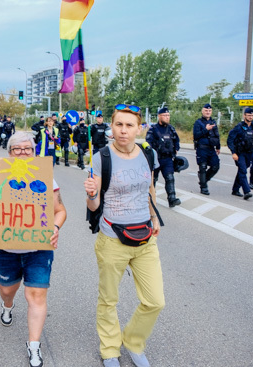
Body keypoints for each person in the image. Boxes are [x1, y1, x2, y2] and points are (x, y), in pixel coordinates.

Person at [0, 131, 67, 367]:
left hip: (39, 248)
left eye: (27, 148)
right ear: (8, 153)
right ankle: (7, 305)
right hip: (4, 249)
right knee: (7, 290)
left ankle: (34, 346)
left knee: (36, 295)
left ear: (34, 151)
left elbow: (60, 211)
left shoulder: (46, 177)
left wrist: (56, 227)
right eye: (17, 149)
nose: (22, 153)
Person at [84, 104, 164, 367]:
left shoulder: (147, 153)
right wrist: (92, 193)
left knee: (155, 301)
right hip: (111, 239)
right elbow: (93, 207)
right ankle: (109, 349)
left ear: (139, 128)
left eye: (129, 125)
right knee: (109, 299)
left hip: (145, 237)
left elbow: (149, 187)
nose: (123, 130)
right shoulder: (101, 157)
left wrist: (154, 217)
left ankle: (133, 341)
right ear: (112, 126)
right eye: (119, 124)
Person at [145, 107, 181, 207]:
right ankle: (150, 199)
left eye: (168, 115)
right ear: (159, 116)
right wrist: (150, 152)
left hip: (168, 159)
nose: (167, 117)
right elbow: (148, 142)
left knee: (170, 178)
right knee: (153, 180)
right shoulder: (153, 129)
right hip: (156, 159)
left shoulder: (171, 129)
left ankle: (172, 199)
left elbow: (176, 140)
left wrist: (176, 148)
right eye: (165, 115)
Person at [226, 107, 253, 200]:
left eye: (252, 115)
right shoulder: (239, 127)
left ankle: (235, 189)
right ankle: (247, 191)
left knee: (241, 170)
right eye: (248, 115)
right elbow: (230, 140)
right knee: (243, 170)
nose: (250, 117)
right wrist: (233, 152)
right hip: (240, 153)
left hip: (250, 153)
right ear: (244, 115)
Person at [193, 103, 220, 195]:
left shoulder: (213, 122)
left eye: (209, 111)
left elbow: (217, 135)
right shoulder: (198, 122)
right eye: (206, 110)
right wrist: (206, 129)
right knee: (203, 167)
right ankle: (203, 187)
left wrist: (218, 147)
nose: (208, 112)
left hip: (211, 148)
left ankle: (203, 180)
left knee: (215, 166)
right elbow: (196, 136)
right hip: (202, 148)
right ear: (202, 111)